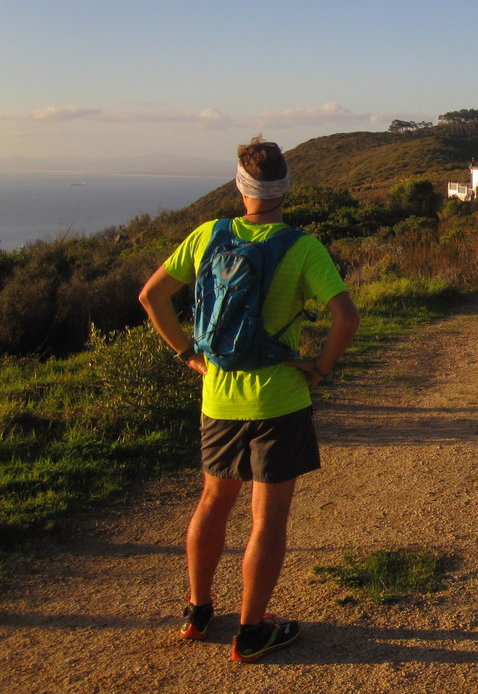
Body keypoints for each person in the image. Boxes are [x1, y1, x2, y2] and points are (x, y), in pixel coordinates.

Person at [139, 136, 360, 662]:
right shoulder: (302, 247)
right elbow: (346, 319)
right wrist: (320, 368)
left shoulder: (207, 236)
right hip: (279, 401)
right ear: (286, 189)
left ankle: (197, 612)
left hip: (218, 397)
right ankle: (253, 629)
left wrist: (189, 355)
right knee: (267, 518)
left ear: (242, 186)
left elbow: (151, 296)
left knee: (213, 502)